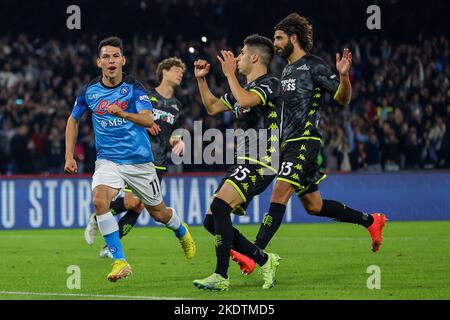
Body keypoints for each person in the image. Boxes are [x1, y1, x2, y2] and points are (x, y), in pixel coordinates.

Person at [233, 13, 387, 275]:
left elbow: (342, 98)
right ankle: (371, 220)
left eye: (279, 38)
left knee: (279, 192)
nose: (276, 43)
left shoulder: (314, 66)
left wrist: (344, 77)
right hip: (287, 144)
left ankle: (254, 253)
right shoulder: (286, 70)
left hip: (305, 141)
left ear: (294, 37)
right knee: (314, 206)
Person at [65, 36, 196, 282]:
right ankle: (120, 261)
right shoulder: (89, 92)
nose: (111, 60)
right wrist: (69, 156)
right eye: (106, 56)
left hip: (140, 162)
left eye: (115, 56)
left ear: (123, 60)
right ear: (98, 62)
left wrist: (123, 113)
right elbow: (73, 120)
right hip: (108, 160)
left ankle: (180, 229)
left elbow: (148, 119)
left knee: (158, 213)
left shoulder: (134, 88)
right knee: (99, 200)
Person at [192, 34, 283, 291]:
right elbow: (211, 107)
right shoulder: (241, 90)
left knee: (220, 206)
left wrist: (230, 74)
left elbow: (245, 101)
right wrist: (202, 80)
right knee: (212, 221)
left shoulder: (270, 84)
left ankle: (221, 276)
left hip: (262, 161)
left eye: (242, 53)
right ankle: (264, 259)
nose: (238, 57)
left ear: (255, 57)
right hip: (243, 162)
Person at [84, 57, 187, 259]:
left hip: (160, 161)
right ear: (164, 72)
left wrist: (178, 142)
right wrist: (147, 123)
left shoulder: (177, 105)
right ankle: (100, 221)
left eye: (181, 72)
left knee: (140, 206)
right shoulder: (145, 95)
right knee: (132, 203)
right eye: (176, 70)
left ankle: (108, 244)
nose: (180, 74)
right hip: (137, 156)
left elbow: (175, 132)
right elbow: (130, 119)